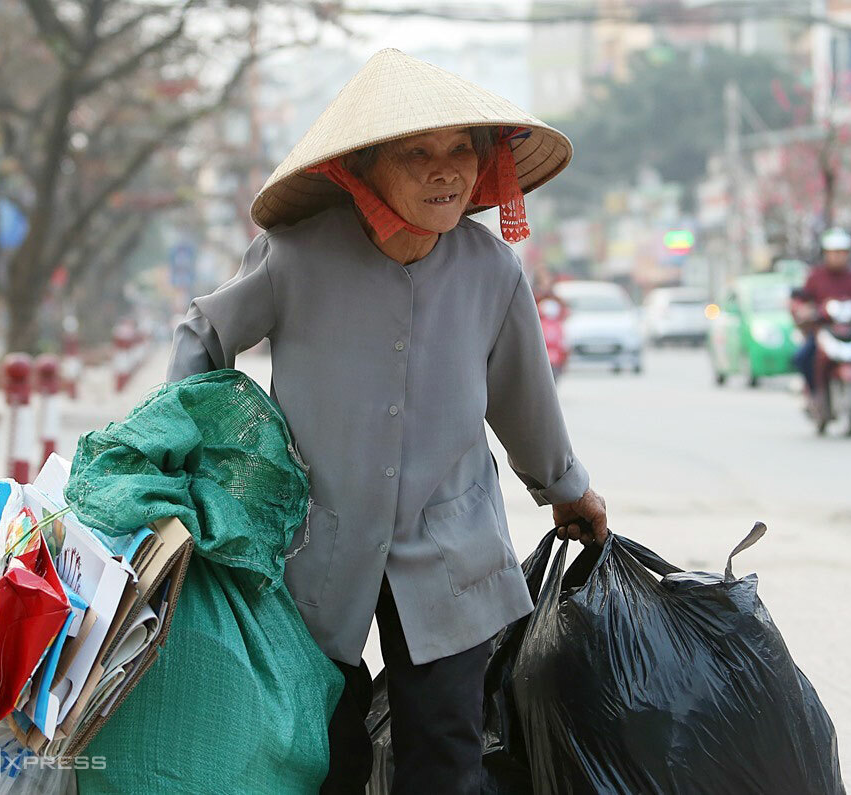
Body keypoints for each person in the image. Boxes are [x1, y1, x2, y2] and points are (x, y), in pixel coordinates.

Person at [165, 49, 608, 794]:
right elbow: (202, 336)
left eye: (461, 150)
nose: (447, 171)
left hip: (451, 545)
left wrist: (567, 488)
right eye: (418, 153)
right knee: (321, 752)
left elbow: (522, 396)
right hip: (314, 545)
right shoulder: (294, 257)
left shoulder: (491, 271)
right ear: (364, 169)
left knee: (446, 758)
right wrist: (197, 461)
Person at [791, 227, 851, 396]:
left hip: (849, 329)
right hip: (822, 329)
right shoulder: (815, 277)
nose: (838, 256)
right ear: (825, 253)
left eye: (842, 252)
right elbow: (803, 299)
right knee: (802, 358)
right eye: (834, 252)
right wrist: (804, 309)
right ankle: (814, 393)